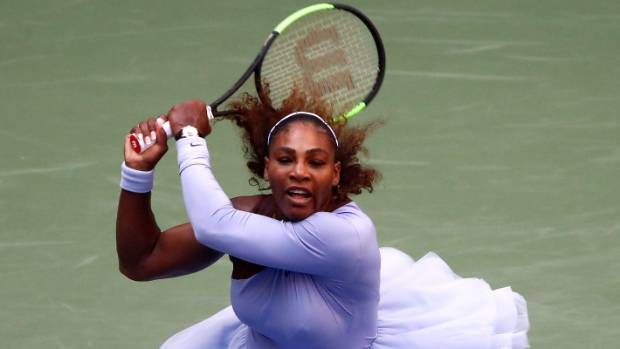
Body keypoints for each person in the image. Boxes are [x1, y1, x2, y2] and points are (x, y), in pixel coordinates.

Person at [116, 92, 529, 349]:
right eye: (285, 159)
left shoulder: (345, 234)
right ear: (266, 169)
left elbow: (213, 225)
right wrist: (138, 172)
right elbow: (142, 260)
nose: (299, 171)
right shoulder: (245, 217)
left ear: (335, 175)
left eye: (315, 162)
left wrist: (190, 140)